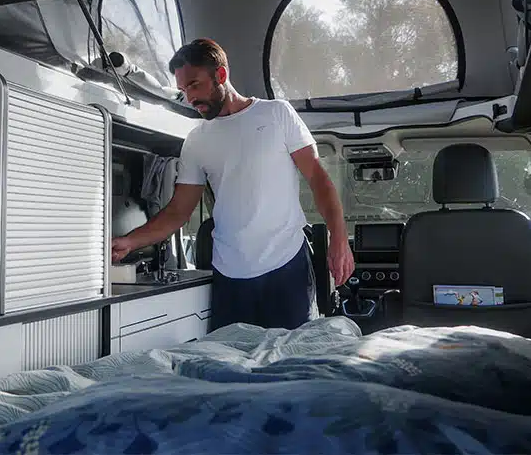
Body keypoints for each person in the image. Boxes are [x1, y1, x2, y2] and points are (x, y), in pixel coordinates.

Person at [112, 38, 354, 330]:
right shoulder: (197, 140)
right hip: (230, 275)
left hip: (287, 266)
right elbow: (178, 211)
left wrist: (338, 238)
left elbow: (317, 178)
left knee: (292, 365)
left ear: (221, 76)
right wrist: (130, 241)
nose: (189, 98)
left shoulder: (277, 114)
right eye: (183, 90)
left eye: (195, 85)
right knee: (231, 366)